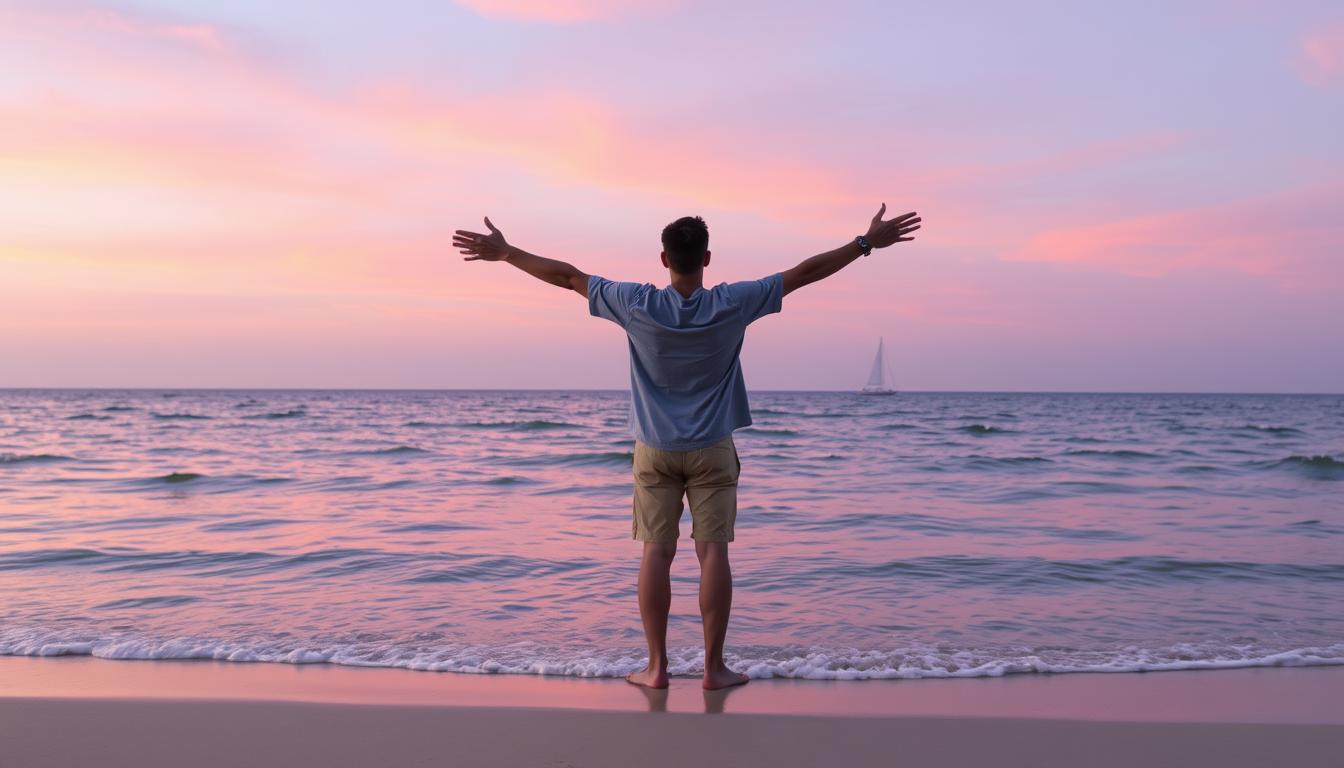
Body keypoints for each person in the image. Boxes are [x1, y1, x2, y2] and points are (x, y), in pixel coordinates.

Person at [453, 205, 921, 689]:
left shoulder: (634, 302)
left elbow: (567, 276)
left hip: (654, 448)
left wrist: (506, 253)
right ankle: (714, 669)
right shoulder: (734, 302)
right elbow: (805, 273)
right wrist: (865, 244)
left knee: (656, 554)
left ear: (663, 259)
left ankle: (656, 668)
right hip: (713, 448)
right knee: (712, 553)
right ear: (707, 258)